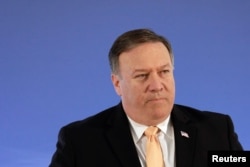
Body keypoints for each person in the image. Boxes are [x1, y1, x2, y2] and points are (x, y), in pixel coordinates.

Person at [49, 28, 243, 167]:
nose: (157, 85)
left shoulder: (217, 131)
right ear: (117, 83)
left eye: (164, 71)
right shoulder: (80, 141)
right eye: (142, 76)